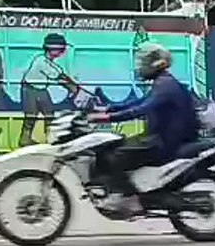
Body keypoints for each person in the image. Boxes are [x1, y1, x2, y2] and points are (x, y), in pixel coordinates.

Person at [89, 43, 199, 213]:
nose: (140, 67)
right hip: (158, 137)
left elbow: (141, 110)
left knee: (113, 157)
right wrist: (108, 109)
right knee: (114, 146)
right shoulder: (162, 82)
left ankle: (131, 198)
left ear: (156, 64)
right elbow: (138, 102)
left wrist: (108, 117)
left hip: (163, 141)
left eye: (144, 62)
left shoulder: (165, 85)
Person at [19, 33, 81, 147]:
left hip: (41, 89)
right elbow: (55, 75)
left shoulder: (49, 62)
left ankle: (50, 139)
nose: (61, 52)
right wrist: (72, 87)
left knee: (49, 114)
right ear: (50, 48)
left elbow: (59, 72)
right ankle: (25, 140)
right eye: (60, 49)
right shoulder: (41, 61)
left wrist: (72, 83)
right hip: (30, 89)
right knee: (31, 116)